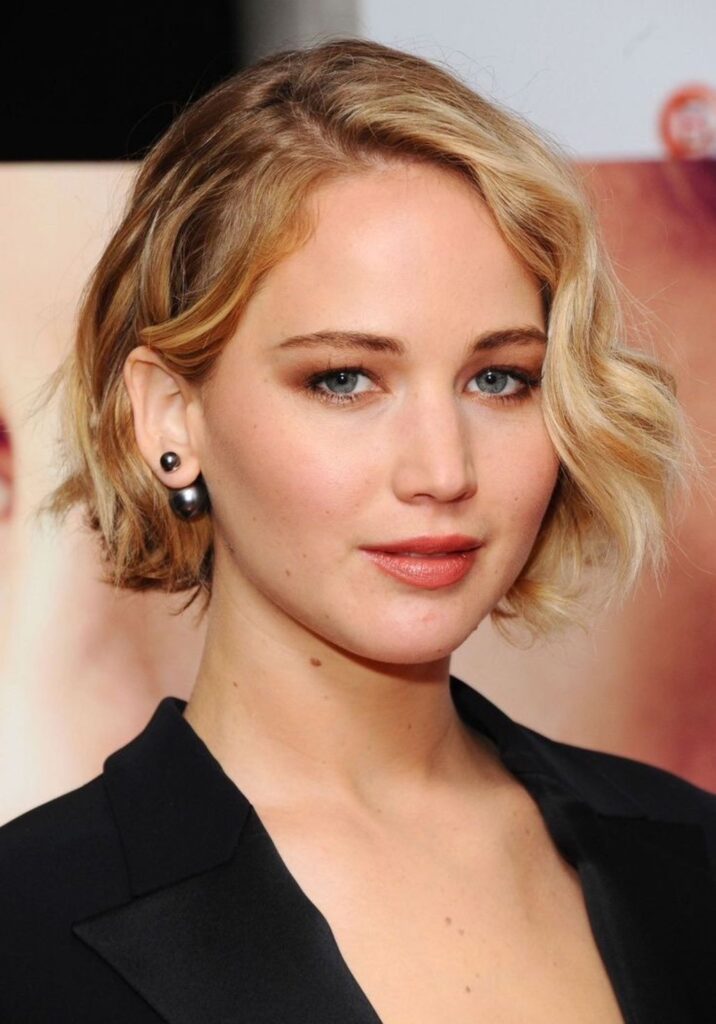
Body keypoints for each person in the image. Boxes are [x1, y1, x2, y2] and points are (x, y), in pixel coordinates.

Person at [0, 37, 713, 1024]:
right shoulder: (25, 927)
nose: (443, 471)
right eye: (344, 380)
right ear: (170, 417)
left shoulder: (690, 853)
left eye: (498, 378)